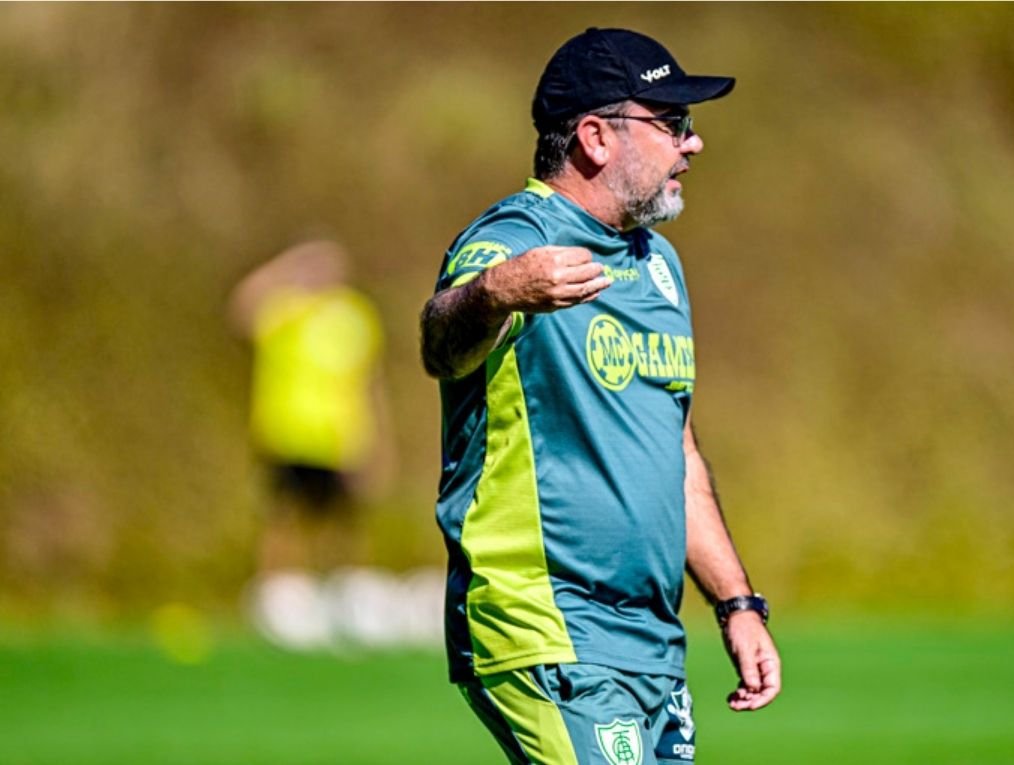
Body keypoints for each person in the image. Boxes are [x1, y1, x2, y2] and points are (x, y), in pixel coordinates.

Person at [420, 28, 781, 765]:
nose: (693, 143)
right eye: (672, 123)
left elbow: (673, 449)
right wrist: (497, 292)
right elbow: (439, 341)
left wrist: (736, 602)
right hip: (546, 624)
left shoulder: (659, 266)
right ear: (595, 137)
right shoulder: (516, 237)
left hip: (650, 642)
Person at [229, 240, 398, 649]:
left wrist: (379, 441)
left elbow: (371, 382)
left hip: (343, 438)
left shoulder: (354, 315)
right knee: (285, 518)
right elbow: (241, 311)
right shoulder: (285, 309)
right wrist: (285, 266)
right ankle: (281, 603)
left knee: (345, 522)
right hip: (288, 434)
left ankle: (342, 605)